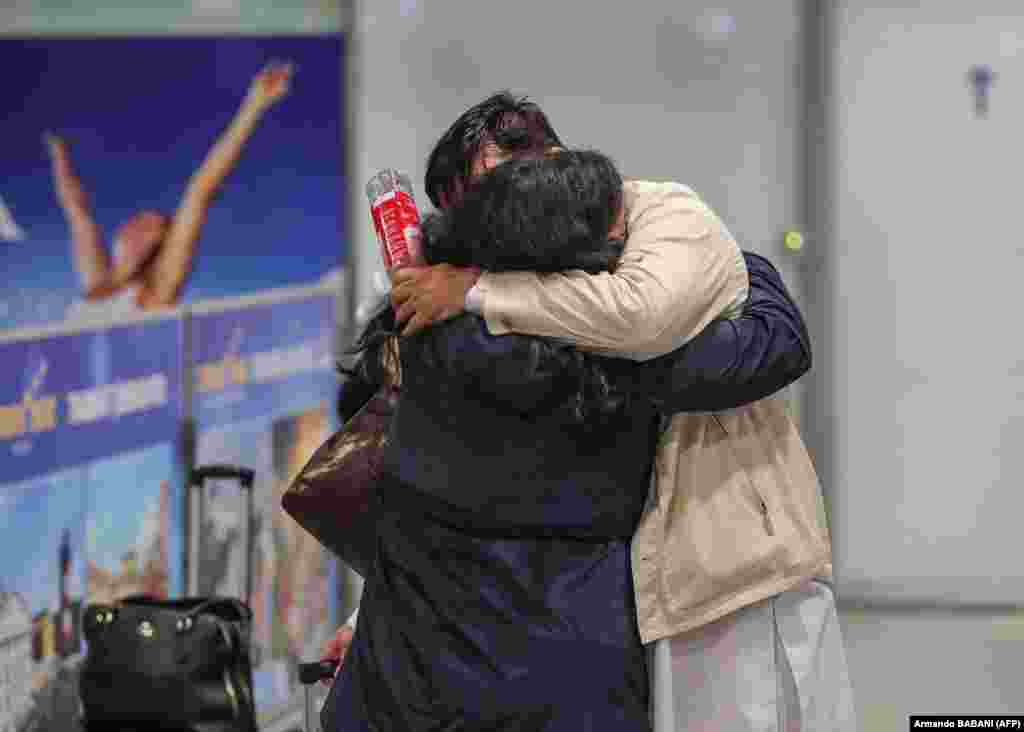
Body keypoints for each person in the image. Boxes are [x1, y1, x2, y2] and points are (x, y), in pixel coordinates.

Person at [385, 93, 855, 730]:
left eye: (503, 185)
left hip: (738, 578)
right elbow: (427, 484)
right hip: (636, 603)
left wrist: (478, 293)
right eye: (475, 203)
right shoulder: (479, 319)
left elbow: (653, 323)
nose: (499, 212)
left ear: (555, 163)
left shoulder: (649, 222)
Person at [46, 60, 293, 322]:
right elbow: (78, 212)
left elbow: (199, 193)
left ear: (159, 248)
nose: (136, 226)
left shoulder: (157, 291)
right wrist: (57, 148)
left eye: (149, 229)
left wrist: (253, 106)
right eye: (138, 220)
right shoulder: (97, 281)